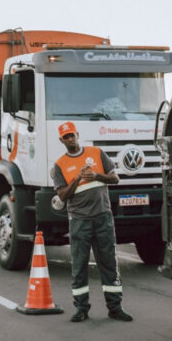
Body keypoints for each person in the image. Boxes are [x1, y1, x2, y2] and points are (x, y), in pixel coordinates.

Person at [51, 121, 133, 323]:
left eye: (72, 135)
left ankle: (115, 308)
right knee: (79, 265)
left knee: (109, 263)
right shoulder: (59, 165)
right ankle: (81, 308)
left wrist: (97, 175)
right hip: (79, 220)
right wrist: (77, 179)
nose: (70, 139)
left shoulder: (97, 153)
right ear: (61, 140)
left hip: (103, 217)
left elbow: (115, 179)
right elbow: (62, 195)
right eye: (66, 137)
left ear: (77, 134)